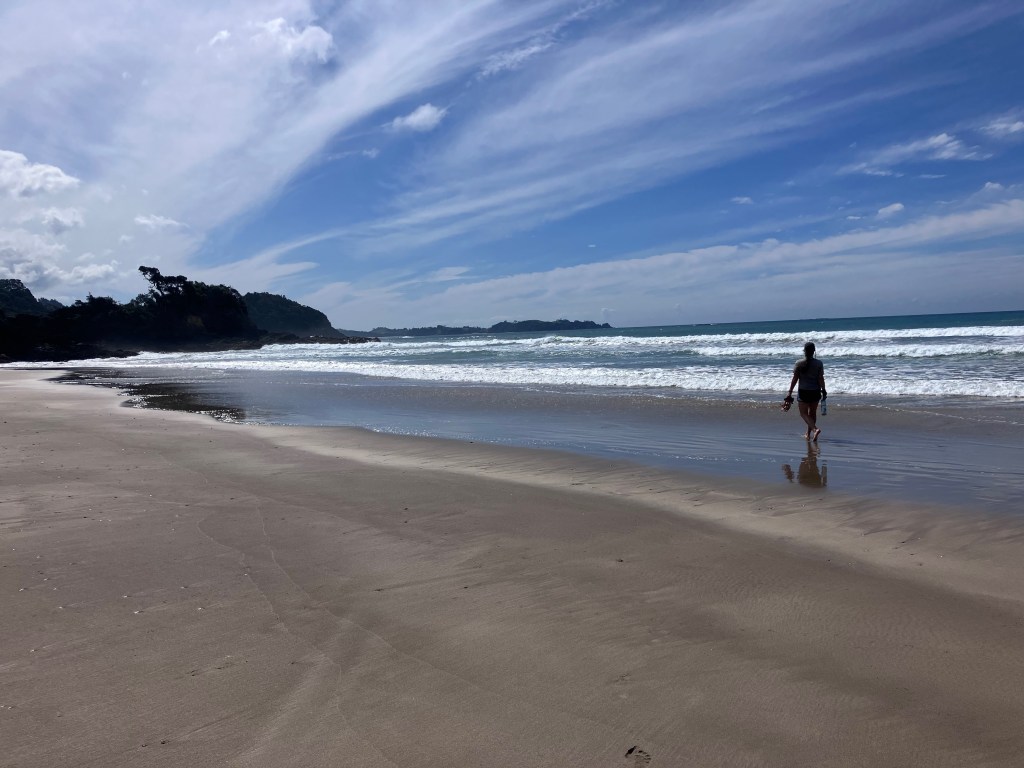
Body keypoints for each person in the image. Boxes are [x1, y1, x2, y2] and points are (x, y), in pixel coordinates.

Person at [786, 341, 826, 441]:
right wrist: (824, 390)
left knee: (803, 414)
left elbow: (795, 379)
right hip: (815, 392)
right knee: (812, 413)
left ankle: (814, 430)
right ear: (814, 351)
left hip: (804, 392)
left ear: (804, 351)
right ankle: (808, 434)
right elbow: (820, 378)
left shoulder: (799, 363)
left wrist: (790, 392)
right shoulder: (819, 363)